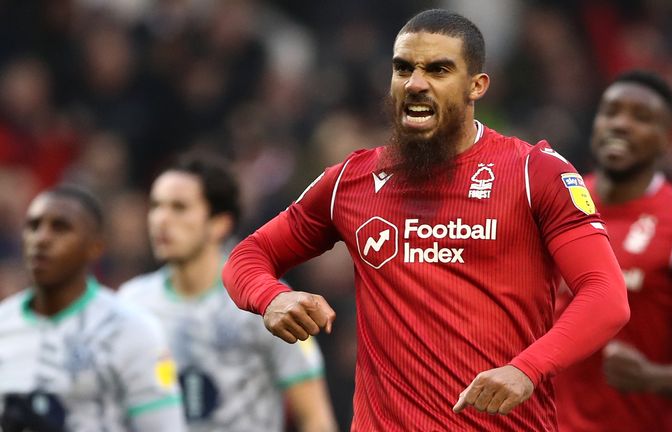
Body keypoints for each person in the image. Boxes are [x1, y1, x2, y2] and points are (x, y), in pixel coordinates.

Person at [223, 9, 630, 431]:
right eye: (403, 69)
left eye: (438, 70)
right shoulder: (352, 181)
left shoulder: (534, 173)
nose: (416, 84)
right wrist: (271, 297)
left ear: (477, 85)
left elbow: (605, 295)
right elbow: (247, 256)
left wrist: (528, 369)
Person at [553, 70, 672, 432]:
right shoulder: (555, 204)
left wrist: (651, 377)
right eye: (611, 112)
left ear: (667, 140)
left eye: (642, 117)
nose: (621, 124)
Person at [118, 153, 338, 432]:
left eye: (179, 207)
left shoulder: (266, 302)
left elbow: (315, 418)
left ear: (219, 224)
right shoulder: (132, 303)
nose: (161, 219)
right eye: (156, 206)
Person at [0, 185, 186, 432]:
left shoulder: (133, 330)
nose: (41, 239)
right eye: (33, 226)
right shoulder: (4, 324)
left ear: (95, 247)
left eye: (60, 228)